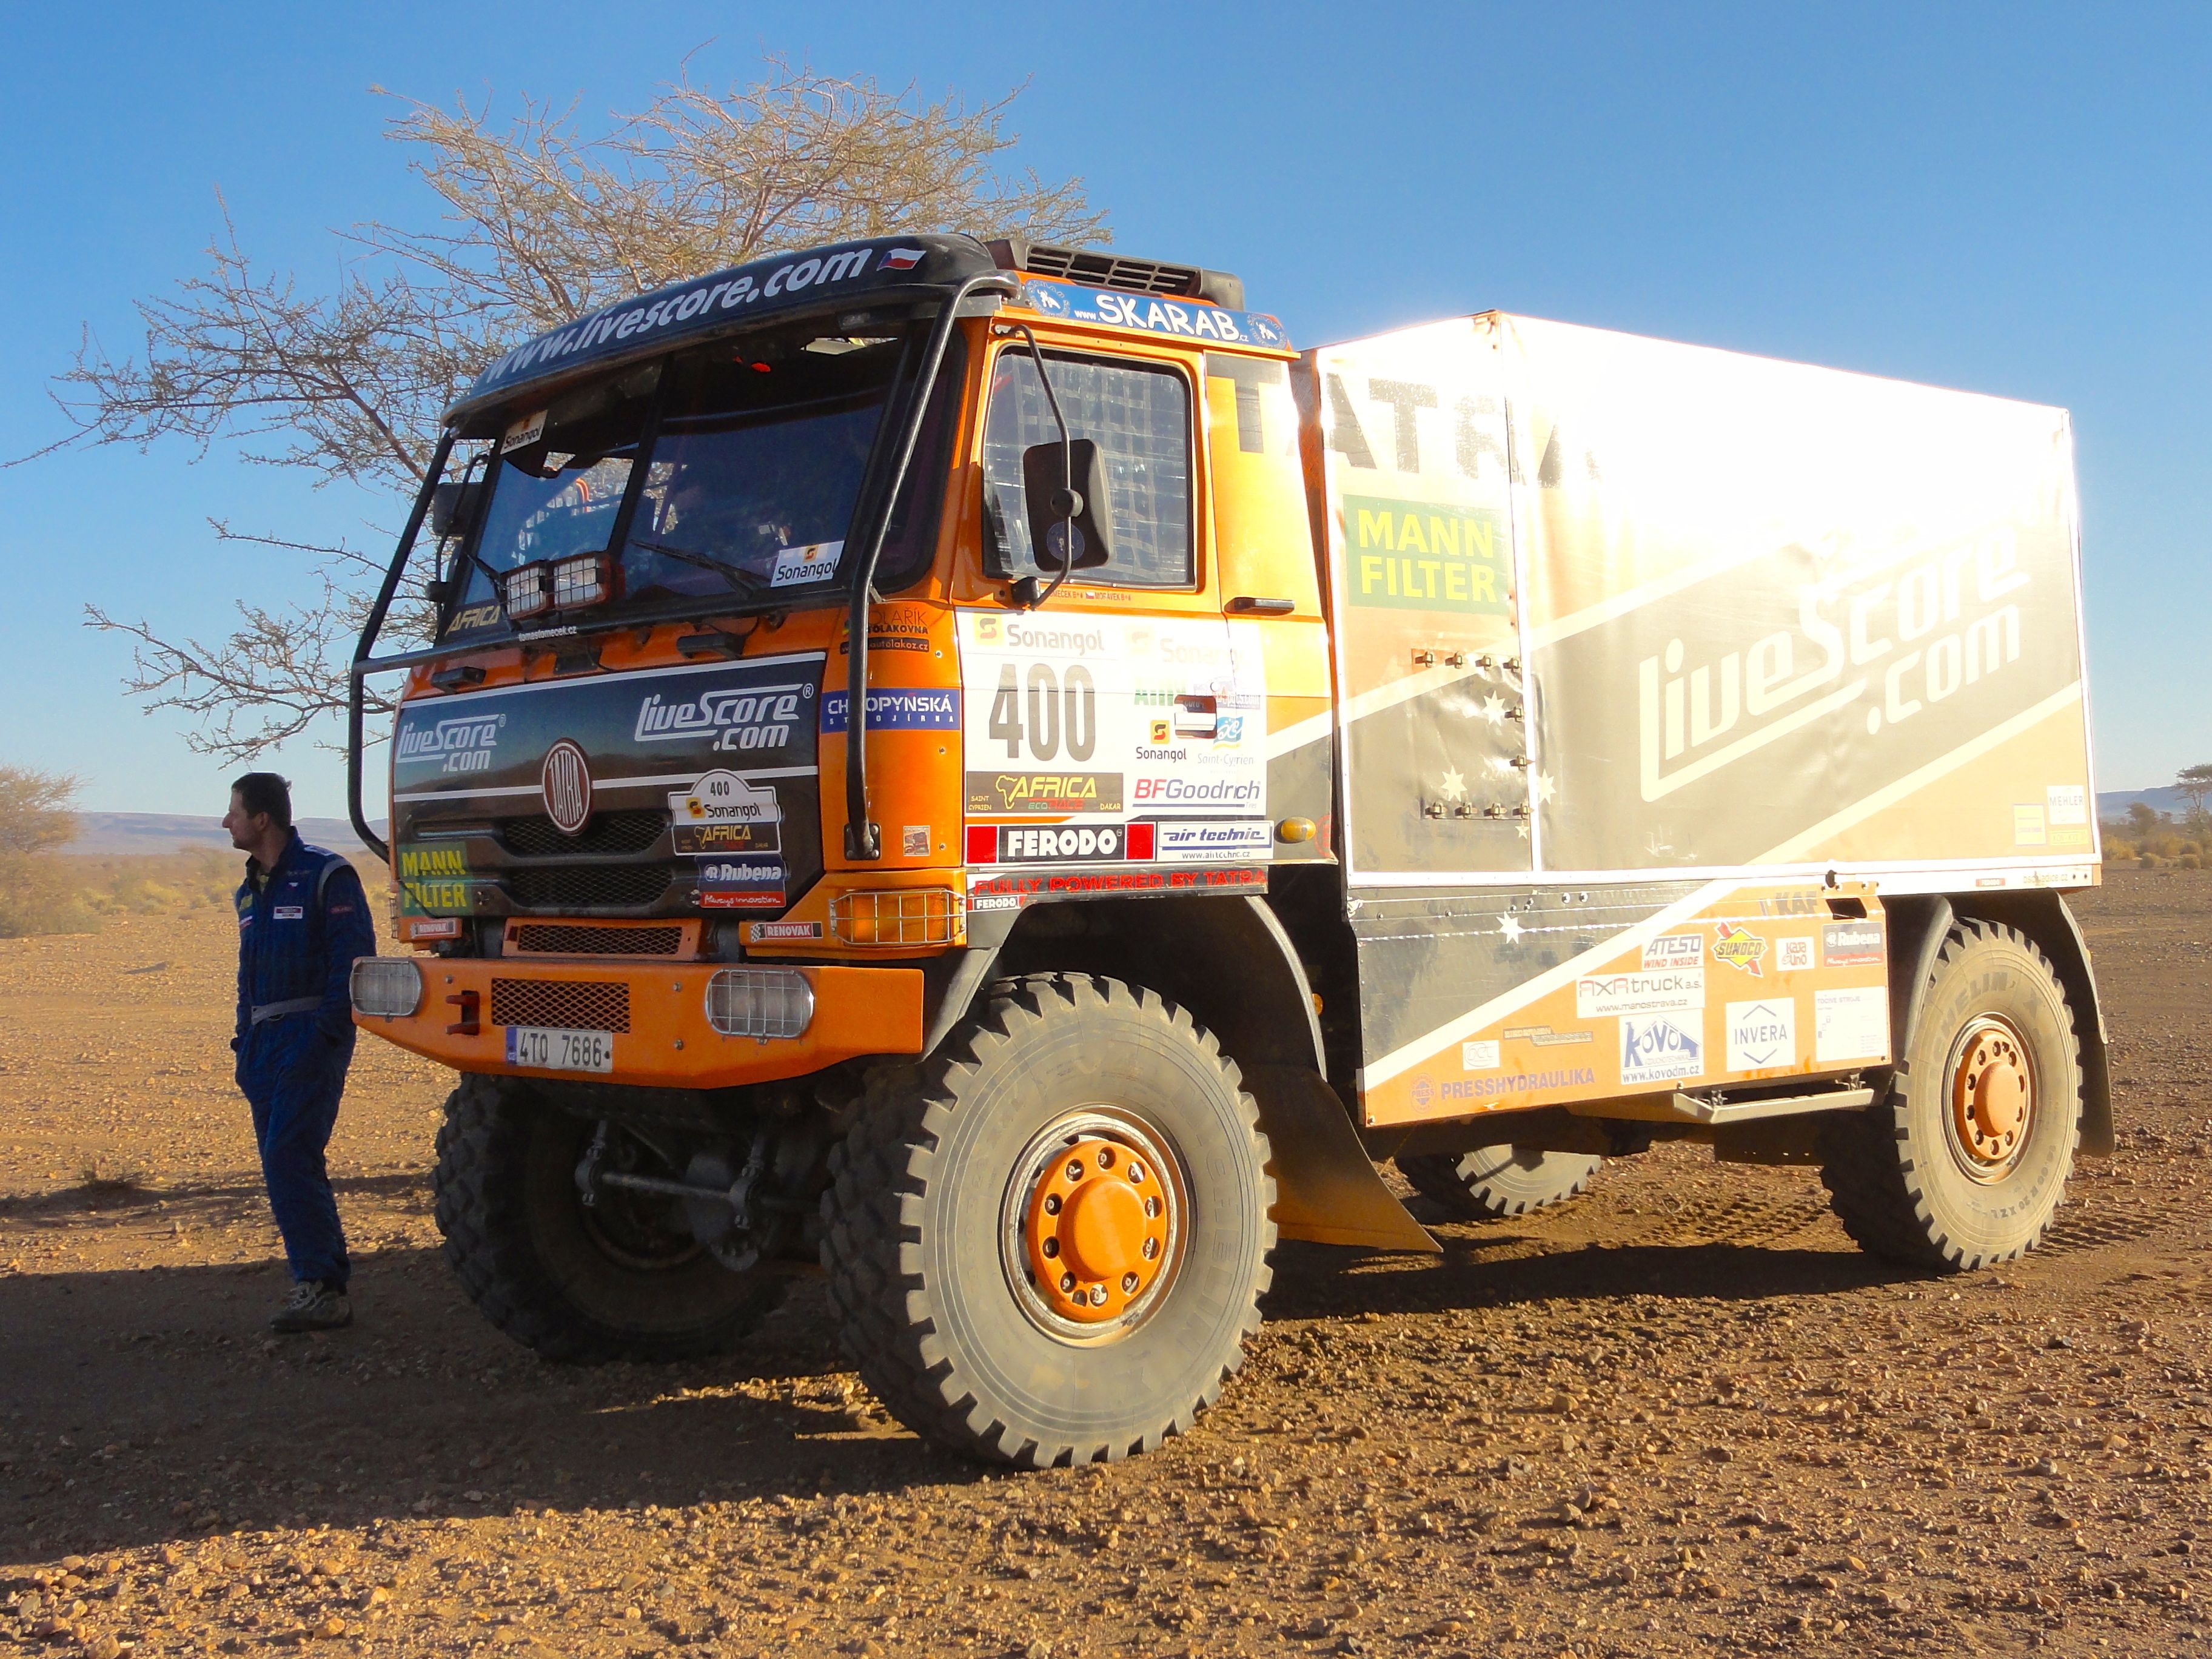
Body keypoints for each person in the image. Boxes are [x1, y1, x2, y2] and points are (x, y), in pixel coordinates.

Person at [221, 773, 376, 1332]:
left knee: (290, 1154)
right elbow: (247, 975)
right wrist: (243, 1042)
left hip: (309, 1038)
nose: (226, 822)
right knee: (284, 1162)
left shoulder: (327, 875)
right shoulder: (247, 891)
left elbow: (353, 962)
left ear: (262, 819)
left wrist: (324, 1037)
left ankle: (319, 1286)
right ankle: (323, 1285)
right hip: (262, 1046)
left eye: (234, 812)